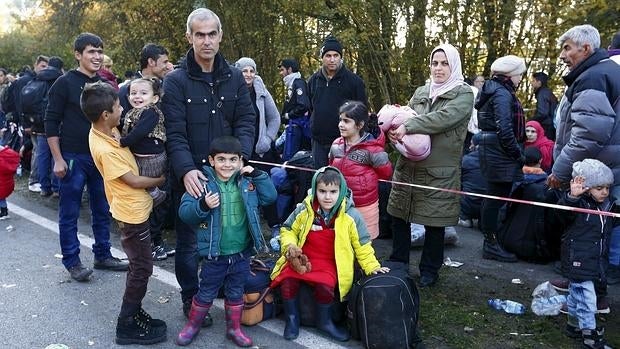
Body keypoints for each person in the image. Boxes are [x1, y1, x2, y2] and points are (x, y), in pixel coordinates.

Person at [162, 7, 255, 327]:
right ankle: (191, 298)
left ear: (220, 35)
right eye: (199, 34)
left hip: (228, 173)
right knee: (188, 244)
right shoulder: (174, 82)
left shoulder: (234, 78)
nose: (206, 41)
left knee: (230, 235)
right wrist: (186, 171)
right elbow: (174, 133)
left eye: (211, 33)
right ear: (189, 37)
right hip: (192, 175)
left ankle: (221, 289)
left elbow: (246, 120)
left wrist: (238, 158)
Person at [82, 81, 167, 345]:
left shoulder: (104, 130)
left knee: (139, 266)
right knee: (142, 268)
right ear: (106, 115)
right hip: (131, 213)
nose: (123, 107)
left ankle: (134, 311)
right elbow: (134, 181)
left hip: (133, 208)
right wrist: (162, 179)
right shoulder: (106, 149)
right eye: (119, 106)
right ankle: (126, 324)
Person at [175, 136, 276, 347]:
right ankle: (193, 326)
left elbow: (270, 197)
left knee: (236, 291)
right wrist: (203, 205)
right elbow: (185, 213)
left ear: (241, 161)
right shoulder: (202, 183)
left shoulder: (248, 183)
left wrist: (258, 175)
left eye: (233, 160)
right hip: (215, 254)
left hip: (241, 253)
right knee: (206, 291)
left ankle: (234, 329)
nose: (227, 164)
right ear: (211, 160)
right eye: (221, 159)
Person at [387, 44, 473, 287]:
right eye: (435, 63)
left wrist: (409, 127)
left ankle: (429, 271)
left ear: (453, 66)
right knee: (399, 215)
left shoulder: (463, 94)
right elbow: (405, 114)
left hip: (439, 172)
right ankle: (398, 263)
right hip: (409, 166)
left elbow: (444, 118)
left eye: (444, 63)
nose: (438, 68)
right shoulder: (422, 91)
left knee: (434, 222)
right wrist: (394, 129)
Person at [270, 166, 389, 341]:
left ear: (341, 191)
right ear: (314, 190)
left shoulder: (351, 216)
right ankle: (292, 319)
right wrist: (290, 246)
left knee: (325, 284)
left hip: (330, 261)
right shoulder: (304, 209)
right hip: (304, 258)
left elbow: (362, 244)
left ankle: (324, 322)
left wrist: (372, 266)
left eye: (333, 191)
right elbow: (287, 229)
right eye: (322, 191)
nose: (327, 196)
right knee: (288, 279)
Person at [45, 32, 129, 281]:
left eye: (99, 51)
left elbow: (112, 118)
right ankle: (72, 261)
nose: (97, 56)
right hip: (73, 156)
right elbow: (51, 122)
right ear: (78, 55)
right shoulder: (64, 83)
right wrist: (58, 159)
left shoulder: (105, 84)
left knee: (103, 208)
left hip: (100, 156)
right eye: (91, 51)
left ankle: (103, 255)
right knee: (69, 211)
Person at [548, 24, 620, 286]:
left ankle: (586, 293)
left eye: (567, 48)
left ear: (586, 48)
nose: (563, 55)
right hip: (606, 167)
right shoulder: (606, 72)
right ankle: (587, 289)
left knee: (586, 232)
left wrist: (560, 171)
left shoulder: (593, 77)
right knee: (598, 232)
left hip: (595, 171)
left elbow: (588, 135)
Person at [118, 43, 172, 261]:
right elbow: (122, 120)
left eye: (143, 93)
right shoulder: (125, 91)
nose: (168, 65)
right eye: (164, 62)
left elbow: (143, 129)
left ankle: (154, 241)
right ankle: (143, 242)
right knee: (141, 196)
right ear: (151, 62)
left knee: (154, 193)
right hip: (135, 156)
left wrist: (123, 141)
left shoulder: (160, 96)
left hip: (154, 154)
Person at [556, 159, 615, 349]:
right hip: (578, 259)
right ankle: (590, 336)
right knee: (587, 299)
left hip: (595, 260)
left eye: (607, 187)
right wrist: (571, 198)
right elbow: (560, 216)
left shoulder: (608, 206)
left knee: (576, 295)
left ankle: (573, 326)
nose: (604, 192)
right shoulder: (578, 205)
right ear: (587, 187)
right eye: (599, 188)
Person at [476, 55, 527, 264]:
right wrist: (519, 154)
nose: (520, 79)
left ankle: (492, 241)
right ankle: (491, 244)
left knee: (494, 196)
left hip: (493, 148)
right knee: (495, 197)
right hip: (500, 151)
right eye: (519, 75)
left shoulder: (494, 89)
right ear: (511, 74)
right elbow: (505, 129)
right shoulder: (502, 93)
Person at [329, 101, 392, 239]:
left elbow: (386, 173)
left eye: (346, 121)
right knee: (341, 243)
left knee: (363, 244)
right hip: (340, 204)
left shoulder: (373, 150)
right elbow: (330, 168)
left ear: (360, 125)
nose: (341, 124)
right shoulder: (335, 145)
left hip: (365, 206)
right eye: (340, 120)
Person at [307, 35, 367, 169]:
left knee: (343, 183)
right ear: (322, 58)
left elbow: (362, 113)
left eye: (336, 55)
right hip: (319, 143)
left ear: (341, 57)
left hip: (345, 143)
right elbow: (311, 108)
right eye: (328, 55)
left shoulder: (354, 82)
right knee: (320, 182)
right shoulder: (313, 81)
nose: (332, 59)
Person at [120, 77, 167, 206]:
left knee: (146, 184)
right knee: (140, 184)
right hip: (139, 157)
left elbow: (139, 132)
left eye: (143, 93)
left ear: (154, 99)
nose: (137, 96)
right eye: (133, 93)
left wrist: (122, 142)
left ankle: (158, 196)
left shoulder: (151, 113)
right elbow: (125, 123)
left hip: (152, 159)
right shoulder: (132, 112)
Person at [31, 57, 64, 198]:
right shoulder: (61, 78)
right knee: (55, 155)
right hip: (55, 122)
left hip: (38, 123)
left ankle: (44, 187)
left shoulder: (39, 77)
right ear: (61, 67)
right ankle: (56, 188)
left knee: (42, 155)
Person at [279, 58, 311, 161]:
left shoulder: (298, 83)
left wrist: (289, 115)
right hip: (292, 126)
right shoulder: (292, 84)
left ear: (289, 69)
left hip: (296, 126)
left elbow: (303, 105)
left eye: (282, 70)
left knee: (289, 157)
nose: (281, 73)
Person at [530, 72, 558, 141]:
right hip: (552, 126)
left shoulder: (542, 93)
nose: (531, 83)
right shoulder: (548, 92)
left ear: (539, 82)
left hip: (547, 128)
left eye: (533, 81)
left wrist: (530, 121)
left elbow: (542, 113)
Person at [0, 145, 20, 220]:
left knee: (1, 198)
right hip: (8, 184)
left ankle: (4, 212)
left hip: (1, 185)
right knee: (2, 198)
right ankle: (4, 211)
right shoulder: (8, 157)